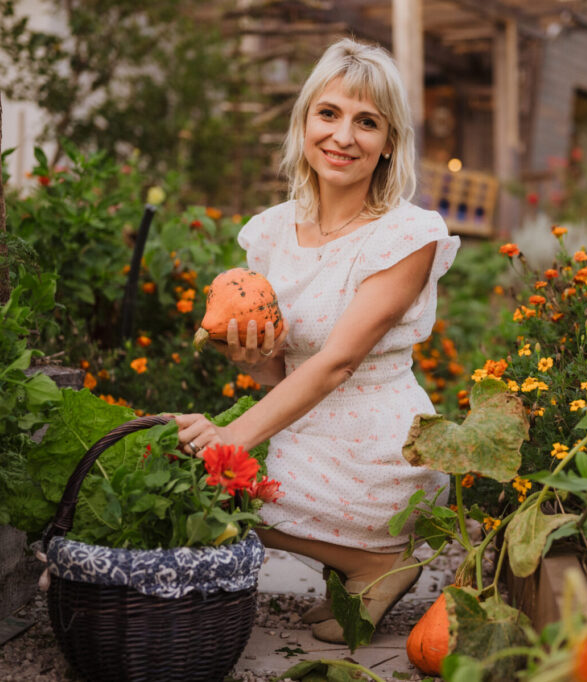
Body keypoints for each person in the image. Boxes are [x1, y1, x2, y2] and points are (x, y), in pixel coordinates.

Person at [172, 37, 460, 643]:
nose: (343, 136)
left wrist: (231, 440)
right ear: (305, 122)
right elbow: (281, 372)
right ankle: (350, 567)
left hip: (376, 446)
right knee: (179, 458)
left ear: (389, 142)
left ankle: (376, 560)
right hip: (304, 427)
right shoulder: (272, 232)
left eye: (367, 122)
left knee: (206, 478)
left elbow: (337, 362)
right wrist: (252, 359)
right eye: (328, 113)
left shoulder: (407, 234)